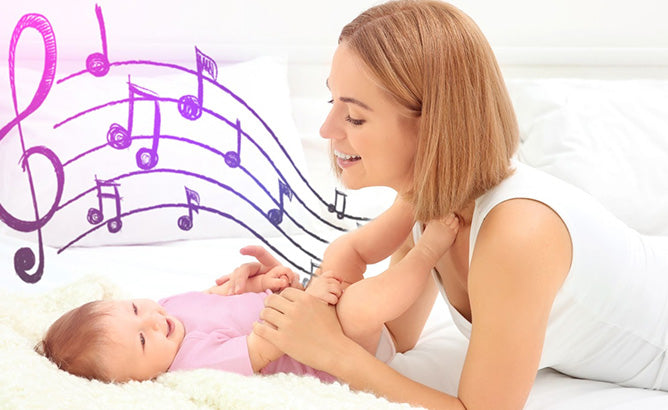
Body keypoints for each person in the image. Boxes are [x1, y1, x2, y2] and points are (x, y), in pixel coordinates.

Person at [223, 1, 668, 409]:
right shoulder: (432, 204)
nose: (325, 129)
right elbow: (394, 336)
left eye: (354, 115)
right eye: (331, 101)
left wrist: (334, 355)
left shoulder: (517, 233)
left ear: (433, 124)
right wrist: (293, 295)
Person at [37, 212, 458, 384]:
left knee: (342, 253)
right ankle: (428, 251)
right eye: (142, 341)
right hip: (343, 350)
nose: (150, 320)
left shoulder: (170, 306)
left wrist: (259, 280)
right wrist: (309, 298)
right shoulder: (196, 363)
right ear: (138, 380)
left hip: (331, 316)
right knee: (360, 306)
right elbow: (275, 338)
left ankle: (411, 204)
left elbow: (224, 297)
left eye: (133, 309)